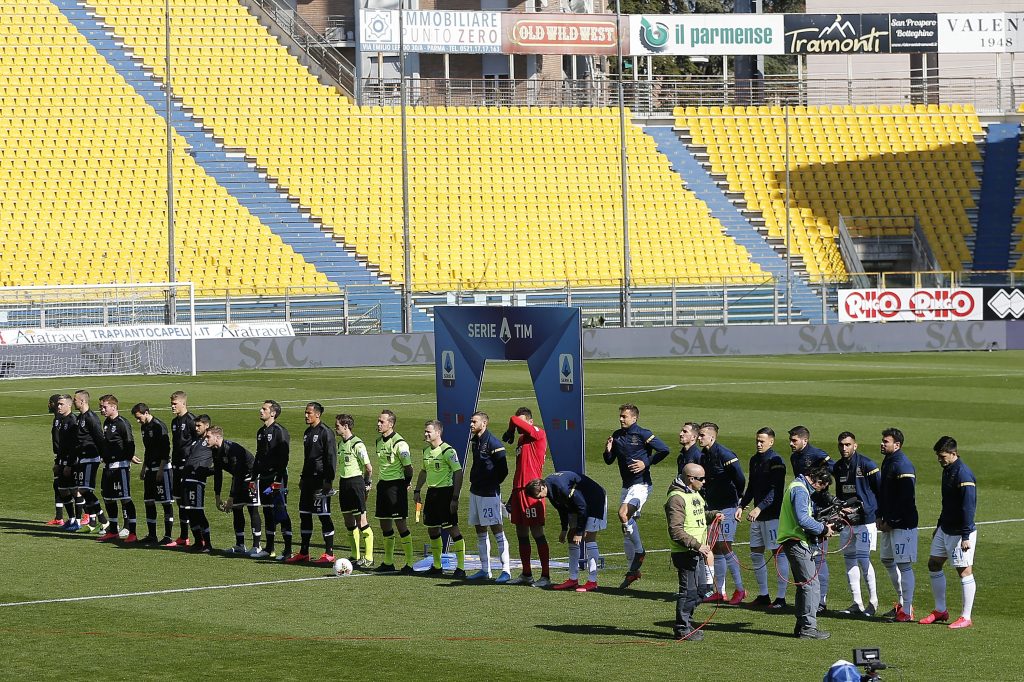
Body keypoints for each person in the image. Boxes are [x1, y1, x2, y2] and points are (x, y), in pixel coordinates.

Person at [603, 403, 670, 589]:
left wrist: (645, 463)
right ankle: (633, 571)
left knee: (623, 514)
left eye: (624, 416)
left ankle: (640, 552)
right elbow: (609, 462)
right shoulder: (617, 435)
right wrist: (607, 449)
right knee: (626, 531)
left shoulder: (643, 434)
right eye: (620, 416)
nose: (621, 419)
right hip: (626, 487)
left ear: (634, 418)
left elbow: (664, 449)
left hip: (641, 485)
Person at [920, 436, 977, 630]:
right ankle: (940, 610)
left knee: (964, 571)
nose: (939, 459)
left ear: (953, 454)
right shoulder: (948, 470)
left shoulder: (963, 474)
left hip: (960, 533)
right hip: (945, 528)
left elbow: (968, 507)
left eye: (942, 456)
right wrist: (938, 525)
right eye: (938, 456)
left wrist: (966, 536)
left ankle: (966, 617)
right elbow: (947, 504)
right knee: (934, 563)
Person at [778, 462, 834, 639]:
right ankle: (808, 629)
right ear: (818, 481)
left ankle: (802, 626)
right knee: (811, 585)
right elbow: (803, 519)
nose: (819, 491)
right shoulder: (801, 490)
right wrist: (823, 529)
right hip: (796, 542)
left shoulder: (796, 486)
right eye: (821, 487)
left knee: (805, 586)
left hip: (793, 541)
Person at [666, 463, 721, 641]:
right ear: (690, 479)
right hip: (685, 553)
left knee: (703, 590)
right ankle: (682, 628)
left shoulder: (693, 493)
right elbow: (676, 531)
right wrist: (697, 545)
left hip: (696, 552)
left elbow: (699, 515)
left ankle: (686, 623)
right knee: (689, 591)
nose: (704, 482)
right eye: (701, 479)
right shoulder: (676, 498)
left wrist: (713, 515)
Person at [525, 472, 607, 591]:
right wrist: (564, 529)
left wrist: (579, 532)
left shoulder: (562, 488)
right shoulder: (549, 488)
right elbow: (561, 508)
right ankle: (573, 579)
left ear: (542, 487)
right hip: (579, 502)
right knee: (570, 536)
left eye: (538, 496)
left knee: (588, 536)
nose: (539, 499)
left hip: (594, 499)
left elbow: (582, 507)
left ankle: (592, 581)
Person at [736, 427, 789, 608]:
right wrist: (742, 506)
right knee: (755, 553)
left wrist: (759, 508)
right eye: (757, 441)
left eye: (762, 441)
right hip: (758, 517)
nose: (759, 444)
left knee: (778, 554)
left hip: (772, 516)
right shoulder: (754, 460)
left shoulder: (777, 462)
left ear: (771, 442)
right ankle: (764, 595)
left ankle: (781, 598)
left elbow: (776, 491)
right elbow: (751, 486)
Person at [833, 431, 881, 617]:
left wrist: (876, 514)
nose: (844, 448)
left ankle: (873, 602)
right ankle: (857, 602)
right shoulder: (838, 467)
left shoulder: (867, 464)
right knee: (849, 560)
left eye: (847, 444)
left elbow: (879, 490)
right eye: (841, 445)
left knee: (863, 559)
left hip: (865, 521)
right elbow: (840, 494)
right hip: (847, 522)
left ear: (855, 445)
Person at [502, 407, 551, 587]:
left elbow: (514, 419)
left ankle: (545, 576)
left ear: (530, 422)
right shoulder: (522, 439)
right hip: (518, 491)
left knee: (537, 532)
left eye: (524, 422)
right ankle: (526, 574)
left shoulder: (539, 434)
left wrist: (510, 429)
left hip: (533, 492)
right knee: (521, 533)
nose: (520, 425)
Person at [698, 422, 746, 604]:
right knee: (716, 548)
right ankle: (720, 591)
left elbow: (740, 478)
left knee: (725, 547)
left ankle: (740, 589)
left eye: (702, 435)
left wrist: (739, 501)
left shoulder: (725, 454)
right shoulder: (704, 455)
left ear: (712, 436)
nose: (699, 438)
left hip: (727, 507)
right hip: (713, 507)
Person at [285, 402, 338, 564]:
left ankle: (329, 553)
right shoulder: (307, 432)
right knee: (305, 515)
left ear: (317, 414)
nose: (306, 415)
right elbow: (308, 458)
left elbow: (331, 458)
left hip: (320, 481)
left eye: (309, 413)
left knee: (323, 515)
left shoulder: (326, 432)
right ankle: (304, 552)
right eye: (305, 413)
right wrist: (302, 477)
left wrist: (328, 480)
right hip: (307, 480)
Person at [789, 425, 834, 614]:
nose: (791, 444)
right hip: (806, 507)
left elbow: (834, 469)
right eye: (790, 440)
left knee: (819, 558)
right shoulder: (794, 457)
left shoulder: (817, 454)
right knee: (810, 557)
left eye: (794, 440)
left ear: (804, 440)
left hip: (820, 509)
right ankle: (812, 600)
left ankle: (820, 600)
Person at [414, 420, 466, 577]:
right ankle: (437, 566)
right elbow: (424, 471)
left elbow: (458, 473)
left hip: (446, 494)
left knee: (452, 528)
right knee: (432, 529)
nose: (426, 434)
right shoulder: (426, 451)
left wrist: (455, 497)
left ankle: (461, 568)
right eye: (425, 431)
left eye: (429, 431)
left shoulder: (448, 451)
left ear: (438, 433)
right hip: (432, 494)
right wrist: (417, 490)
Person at [876, 427, 918, 622]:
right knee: (887, 560)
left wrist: (892, 521)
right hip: (889, 523)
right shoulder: (890, 461)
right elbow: (884, 494)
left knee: (904, 565)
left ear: (897, 445)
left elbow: (906, 499)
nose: (882, 444)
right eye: (883, 441)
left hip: (903, 525)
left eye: (886, 441)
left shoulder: (903, 465)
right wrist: (879, 516)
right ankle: (902, 603)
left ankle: (907, 610)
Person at [466, 411, 511, 583]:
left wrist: (492, 484)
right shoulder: (475, 441)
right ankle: (485, 570)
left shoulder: (493, 443)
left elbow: (503, 470)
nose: (471, 424)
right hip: (475, 491)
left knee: (497, 529)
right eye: (471, 421)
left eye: (474, 421)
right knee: (479, 530)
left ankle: (506, 570)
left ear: (484, 423)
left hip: (489, 493)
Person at [207, 426, 262, 555]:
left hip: (250, 478)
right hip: (238, 478)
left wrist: (231, 497)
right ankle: (240, 545)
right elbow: (218, 474)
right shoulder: (215, 450)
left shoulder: (231, 449)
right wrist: (217, 496)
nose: (206, 439)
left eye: (208, 436)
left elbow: (238, 473)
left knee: (252, 509)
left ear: (217, 437)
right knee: (237, 510)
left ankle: (256, 546)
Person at [373, 409, 415, 573]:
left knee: (400, 524)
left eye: (381, 421)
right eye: (378, 421)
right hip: (383, 486)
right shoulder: (378, 442)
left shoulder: (400, 443)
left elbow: (409, 468)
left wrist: (406, 483)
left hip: (396, 487)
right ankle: (388, 562)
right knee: (384, 523)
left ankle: (409, 563)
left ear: (390, 424)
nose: (378, 424)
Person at [251, 400, 292, 560]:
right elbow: (259, 455)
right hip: (264, 478)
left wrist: (278, 479)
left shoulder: (280, 431)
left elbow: (284, 458)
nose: (260, 411)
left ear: (273, 413)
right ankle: (269, 548)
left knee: (281, 514)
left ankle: (288, 551)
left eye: (264, 409)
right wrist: (254, 477)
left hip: (277, 477)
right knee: (268, 512)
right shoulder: (261, 431)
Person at [96, 394, 139, 543]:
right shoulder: (107, 422)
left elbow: (129, 443)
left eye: (104, 407)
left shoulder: (122, 423)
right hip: (108, 466)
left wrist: (127, 458)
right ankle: (113, 530)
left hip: (120, 467)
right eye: (101, 407)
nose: (101, 409)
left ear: (114, 407)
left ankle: (132, 531)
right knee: (108, 498)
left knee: (125, 498)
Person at [131, 403, 176, 545]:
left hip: (162, 469)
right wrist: (144, 468)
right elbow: (148, 449)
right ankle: (152, 535)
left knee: (165, 503)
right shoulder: (144, 427)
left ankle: (168, 536)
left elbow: (165, 450)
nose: (138, 421)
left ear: (146, 413)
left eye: (139, 418)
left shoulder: (158, 426)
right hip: (150, 469)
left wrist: (161, 469)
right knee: (148, 502)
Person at [334, 414, 374, 568]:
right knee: (348, 521)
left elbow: (369, 468)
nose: (336, 427)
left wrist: (366, 484)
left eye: (338, 425)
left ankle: (369, 557)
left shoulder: (357, 444)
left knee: (361, 521)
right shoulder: (340, 444)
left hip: (356, 483)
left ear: (346, 426)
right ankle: (355, 555)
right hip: (344, 483)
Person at [72, 390, 109, 533]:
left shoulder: (91, 418)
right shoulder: (80, 417)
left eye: (75, 400)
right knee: (84, 490)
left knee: (85, 490)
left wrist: (103, 456)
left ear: (82, 401)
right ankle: (93, 522)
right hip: (82, 458)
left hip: (90, 458)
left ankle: (103, 521)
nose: (74, 402)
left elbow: (100, 438)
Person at [167, 390, 196, 547]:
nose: (172, 406)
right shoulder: (174, 422)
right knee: (179, 501)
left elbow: (199, 442)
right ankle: (184, 537)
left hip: (187, 466)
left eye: (174, 403)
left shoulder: (191, 420)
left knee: (189, 502)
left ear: (183, 403)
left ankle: (198, 536)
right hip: (176, 465)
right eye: (171, 403)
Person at [181, 414, 214, 552]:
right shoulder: (196, 441)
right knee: (189, 512)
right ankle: (197, 542)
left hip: (197, 482)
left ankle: (208, 544)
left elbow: (219, 462)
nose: (196, 428)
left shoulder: (211, 441)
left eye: (199, 425)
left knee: (198, 512)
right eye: (195, 425)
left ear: (206, 425)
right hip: (186, 480)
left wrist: (204, 472)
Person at [52, 394, 83, 531]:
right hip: (62, 461)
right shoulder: (62, 420)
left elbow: (75, 446)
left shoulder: (73, 421)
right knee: (63, 490)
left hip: (72, 463)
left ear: (69, 405)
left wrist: (69, 465)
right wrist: (58, 462)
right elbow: (61, 446)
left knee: (76, 491)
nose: (58, 406)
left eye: (61, 404)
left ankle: (78, 520)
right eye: (58, 404)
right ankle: (70, 519)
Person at [46, 394, 75, 526]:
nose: (51, 405)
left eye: (51, 402)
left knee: (76, 489)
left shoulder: (67, 419)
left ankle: (86, 516)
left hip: (67, 459)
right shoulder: (58, 419)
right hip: (60, 457)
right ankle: (59, 517)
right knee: (58, 486)